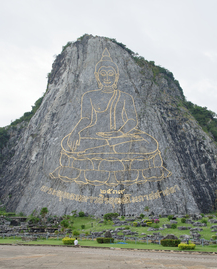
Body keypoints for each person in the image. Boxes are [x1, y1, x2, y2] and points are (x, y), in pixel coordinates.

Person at [51, 48, 171, 187]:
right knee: (69, 143)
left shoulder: (125, 97)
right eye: (103, 74)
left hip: (121, 138)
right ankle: (109, 154)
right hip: (96, 137)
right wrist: (74, 132)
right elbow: (86, 119)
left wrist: (119, 133)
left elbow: (132, 120)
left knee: (149, 143)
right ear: (97, 76)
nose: (107, 78)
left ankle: (103, 155)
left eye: (110, 74)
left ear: (116, 76)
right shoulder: (89, 96)